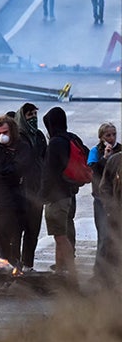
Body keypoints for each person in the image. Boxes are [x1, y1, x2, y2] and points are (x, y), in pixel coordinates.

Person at [41, 106, 89, 279]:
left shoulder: (55, 142)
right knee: (61, 233)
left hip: (56, 197)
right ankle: (61, 270)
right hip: (69, 194)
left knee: (60, 236)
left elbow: (49, 172)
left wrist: (42, 195)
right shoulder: (72, 138)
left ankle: (70, 271)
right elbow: (87, 155)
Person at [0, 115, 31, 267]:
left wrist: (0, 172)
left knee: (14, 234)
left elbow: (19, 169)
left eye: (5, 132)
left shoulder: (21, 146)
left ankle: (14, 263)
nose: (2, 135)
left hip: (15, 200)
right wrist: (3, 173)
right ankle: (1, 264)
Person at [16, 102, 48, 270]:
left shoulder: (40, 136)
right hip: (21, 192)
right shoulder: (18, 137)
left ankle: (28, 264)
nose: (34, 118)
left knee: (33, 230)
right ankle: (15, 264)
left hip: (37, 190)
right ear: (23, 117)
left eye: (35, 115)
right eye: (30, 115)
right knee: (17, 229)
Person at [88, 122, 118, 282]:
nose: (112, 138)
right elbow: (93, 173)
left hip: (117, 201)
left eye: (114, 134)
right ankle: (99, 273)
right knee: (104, 236)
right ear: (101, 138)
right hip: (101, 200)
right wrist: (105, 158)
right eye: (108, 135)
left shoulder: (119, 151)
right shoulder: (96, 152)